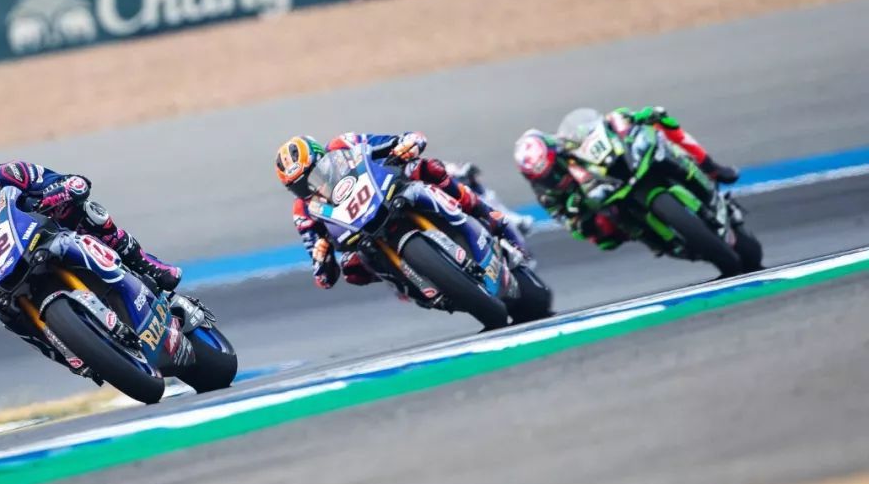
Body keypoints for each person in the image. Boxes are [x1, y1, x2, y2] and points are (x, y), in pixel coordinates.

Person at [0, 153, 182, 372]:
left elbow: (73, 182)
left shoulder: (10, 173)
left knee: (90, 214)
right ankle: (68, 355)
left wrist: (60, 191)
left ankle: (145, 263)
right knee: (5, 313)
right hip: (6, 275)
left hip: (48, 233)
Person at [275, 133, 527, 293]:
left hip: (386, 192)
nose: (310, 186)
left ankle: (486, 213)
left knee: (427, 168)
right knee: (352, 267)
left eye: (313, 174)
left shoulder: (344, 144)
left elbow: (392, 141)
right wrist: (322, 257)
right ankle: (405, 285)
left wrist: (406, 144)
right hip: (357, 234)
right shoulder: (303, 211)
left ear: (323, 158)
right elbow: (324, 279)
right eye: (300, 186)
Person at [513, 107, 738, 250]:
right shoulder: (546, 194)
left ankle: (711, 167)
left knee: (659, 117)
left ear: (553, 149)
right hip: (598, 203)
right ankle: (658, 239)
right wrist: (579, 217)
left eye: (552, 166)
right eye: (545, 175)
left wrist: (628, 120)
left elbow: (603, 124)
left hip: (614, 173)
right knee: (605, 237)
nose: (552, 175)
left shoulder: (568, 141)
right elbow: (570, 225)